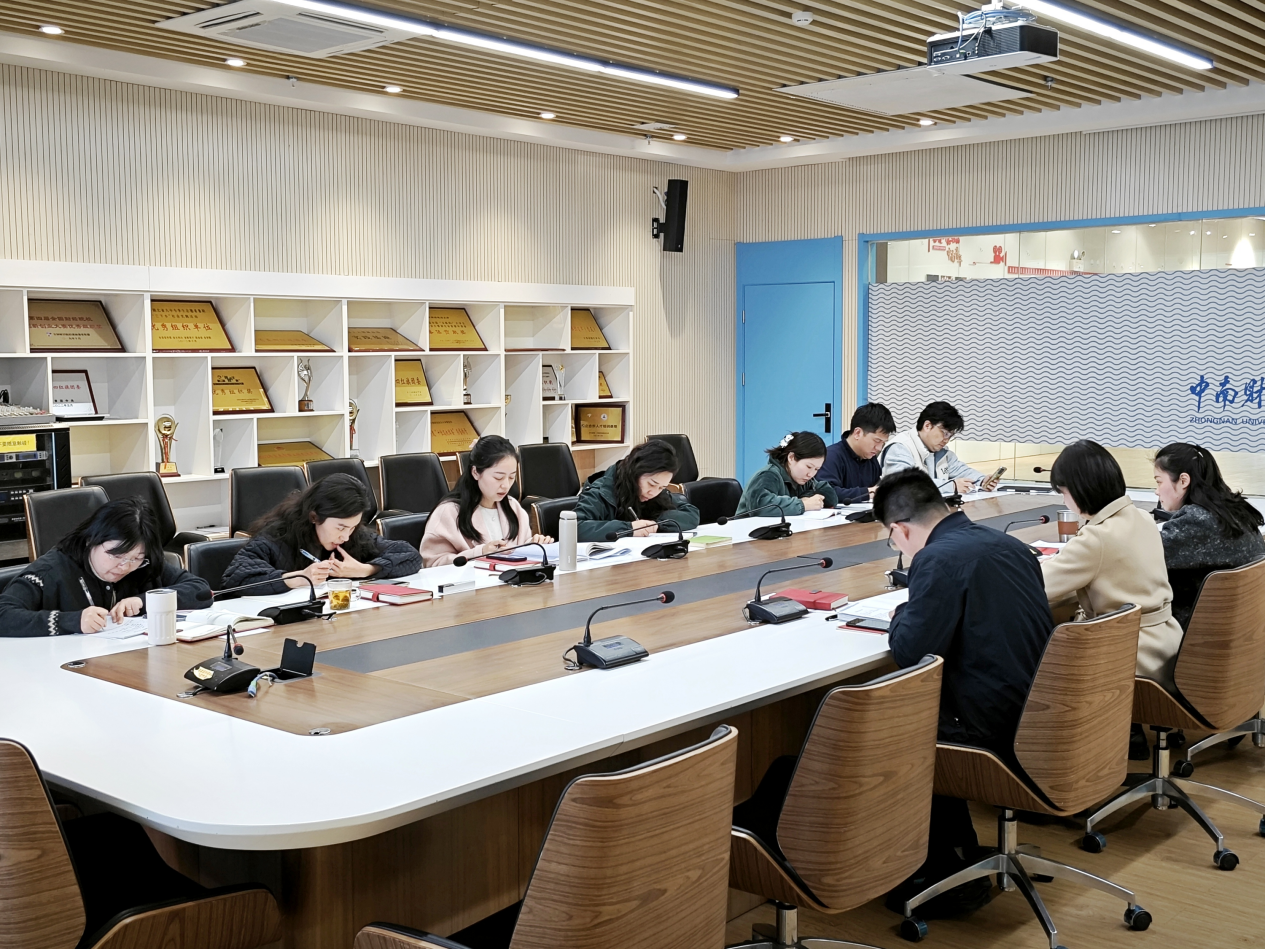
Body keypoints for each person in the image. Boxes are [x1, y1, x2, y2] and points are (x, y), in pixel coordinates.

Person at [876, 468, 1054, 917]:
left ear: (900, 529)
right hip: (1039, 714)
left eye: (893, 541)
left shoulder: (936, 560)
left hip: (991, 728)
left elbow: (911, 652)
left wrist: (901, 613)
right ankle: (956, 852)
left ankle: (938, 870)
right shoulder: (1010, 545)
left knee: (892, 729)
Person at [1042, 440, 1184, 690]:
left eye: (1063, 493)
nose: (1064, 501)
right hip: (1167, 647)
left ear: (1079, 490)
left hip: (1128, 658)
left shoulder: (1096, 538)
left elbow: (1037, 586)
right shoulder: (1142, 517)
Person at [0, 497, 212, 637]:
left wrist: (144, 601)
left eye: (136, 558)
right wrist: (72, 621)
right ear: (90, 540)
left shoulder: (143, 566)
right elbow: (4, 614)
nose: (124, 567)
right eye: (116, 555)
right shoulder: (51, 572)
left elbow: (201, 591)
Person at [222, 473, 421, 595]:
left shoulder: (353, 535)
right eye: (340, 528)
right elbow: (234, 580)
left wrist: (365, 570)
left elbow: (411, 556)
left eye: (353, 527)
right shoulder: (277, 535)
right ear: (314, 517)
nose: (346, 537)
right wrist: (299, 578)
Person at [1153, 442, 1265, 631]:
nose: (1156, 491)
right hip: (1246, 629)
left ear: (1183, 481)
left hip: (1200, 633)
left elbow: (1142, 555)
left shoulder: (1196, 521)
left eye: (1158, 481)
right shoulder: (1238, 511)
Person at [422, 435, 553, 567]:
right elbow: (431, 564)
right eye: (498, 477)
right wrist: (480, 553)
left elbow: (518, 552)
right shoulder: (449, 512)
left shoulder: (513, 507)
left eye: (511, 477)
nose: (506, 485)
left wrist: (533, 544)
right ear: (475, 472)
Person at [574, 439, 701, 542]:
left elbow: (691, 513)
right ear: (635, 473)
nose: (654, 493)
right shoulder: (601, 491)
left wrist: (656, 524)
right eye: (651, 484)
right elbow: (575, 528)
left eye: (662, 487)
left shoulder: (656, 492)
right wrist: (628, 528)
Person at [880, 401, 1000, 495]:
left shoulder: (942, 453)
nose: (946, 440)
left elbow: (961, 471)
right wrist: (952, 486)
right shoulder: (900, 448)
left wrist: (982, 480)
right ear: (927, 426)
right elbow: (904, 484)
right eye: (945, 433)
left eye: (950, 436)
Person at [736, 431, 839, 516]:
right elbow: (759, 506)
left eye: (817, 469)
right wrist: (803, 504)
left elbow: (830, 496)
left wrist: (807, 497)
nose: (811, 474)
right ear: (791, 457)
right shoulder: (767, 475)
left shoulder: (803, 479)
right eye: (808, 467)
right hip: (748, 532)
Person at [819, 402, 896, 503]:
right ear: (857, 433)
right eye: (877, 441)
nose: (879, 448)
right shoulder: (831, 456)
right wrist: (866, 492)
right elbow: (827, 493)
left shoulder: (870, 458)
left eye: (883, 443)